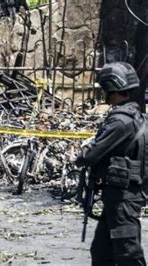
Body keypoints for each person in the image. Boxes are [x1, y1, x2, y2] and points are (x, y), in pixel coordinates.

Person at [76, 62, 146, 266]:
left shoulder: (121, 121)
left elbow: (90, 155)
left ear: (111, 87)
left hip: (123, 197)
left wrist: (82, 154)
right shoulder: (134, 116)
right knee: (101, 251)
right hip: (118, 194)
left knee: (128, 252)